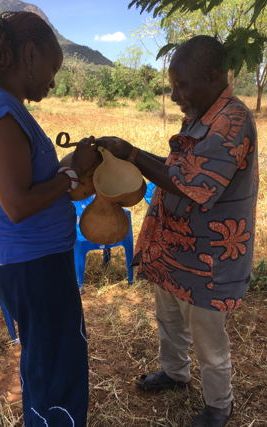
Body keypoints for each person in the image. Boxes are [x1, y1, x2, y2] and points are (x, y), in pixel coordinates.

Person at [97, 35, 259, 427]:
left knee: (208, 338)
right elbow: (175, 169)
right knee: (168, 318)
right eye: (173, 85)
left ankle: (220, 405)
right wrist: (128, 156)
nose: (174, 95)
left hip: (209, 258)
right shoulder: (200, 115)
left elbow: (193, 183)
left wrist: (133, 154)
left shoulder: (232, 122)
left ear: (214, 75)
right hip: (174, 248)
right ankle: (175, 373)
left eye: (182, 85)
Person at [0, 11, 97, 427]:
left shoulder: (5, 107)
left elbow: (28, 183)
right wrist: (73, 173)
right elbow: (17, 204)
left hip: (36, 259)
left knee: (53, 357)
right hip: (30, 261)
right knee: (55, 368)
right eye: (53, 68)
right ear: (30, 53)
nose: (53, 79)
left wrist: (70, 165)